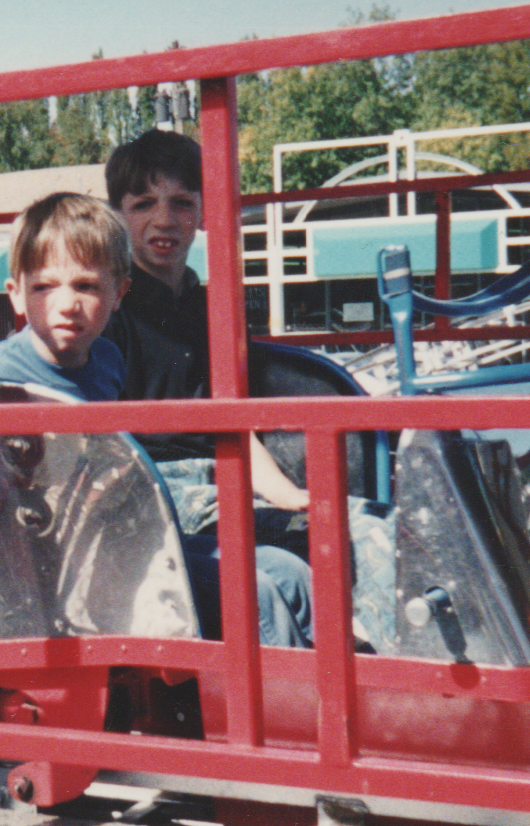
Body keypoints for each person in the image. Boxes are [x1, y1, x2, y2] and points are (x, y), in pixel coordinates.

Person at [0, 192, 312, 647]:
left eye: (86, 286)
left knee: (289, 572)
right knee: (254, 593)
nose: (66, 304)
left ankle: (344, 691)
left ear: (118, 294)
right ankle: (284, 712)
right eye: (44, 287)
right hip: (60, 566)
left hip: (119, 537)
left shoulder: (106, 358)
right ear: (16, 294)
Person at [103, 130, 395, 651]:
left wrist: (288, 494)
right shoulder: (109, 309)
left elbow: (231, 422)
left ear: (203, 212)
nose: (164, 219)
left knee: (367, 520)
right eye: (143, 204)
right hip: (157, 485)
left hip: (224, 472)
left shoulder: (207, 306)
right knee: (346, 538)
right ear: (118, 214)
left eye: (181, 202)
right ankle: (375, 673)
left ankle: (394, 663)